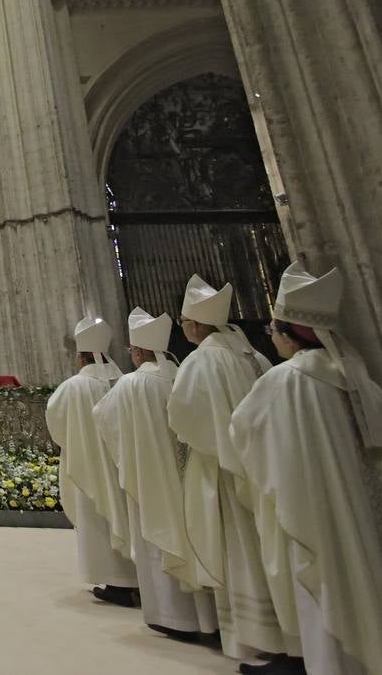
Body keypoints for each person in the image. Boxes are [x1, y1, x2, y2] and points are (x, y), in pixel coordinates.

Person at [230, 263, 382, 675]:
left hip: (311, 502)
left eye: (274, 330)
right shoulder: (357, 375)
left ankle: (322, 663)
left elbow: (244, 430)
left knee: (317, 580)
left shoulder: (288, 380)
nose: (273, 338)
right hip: (362, 506)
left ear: (291, 333)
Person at [169, 274, 297, 665]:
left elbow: (183, 416)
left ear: (194, 324)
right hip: (264, 468)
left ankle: (256, 636)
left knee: (241, 549)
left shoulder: (202, 360)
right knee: (270, 549)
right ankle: (288, 633)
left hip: (224, 469)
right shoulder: (254, 356)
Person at [93, 308, 217, 642]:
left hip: (151, 474)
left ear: (136, 351)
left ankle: (171, 614)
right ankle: (209, 616)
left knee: (158, 535)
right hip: (191, 475)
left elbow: (102, 419)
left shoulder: (132, 383)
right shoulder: (182, 374)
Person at [45, 316, 137, 607]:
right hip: (125, 464)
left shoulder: (74, 386)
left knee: (99, 517)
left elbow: (56, 421)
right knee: (129, 514)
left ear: (82, 357)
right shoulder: (124, 381)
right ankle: (139, 576)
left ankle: (116, 581)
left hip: (91, 462)